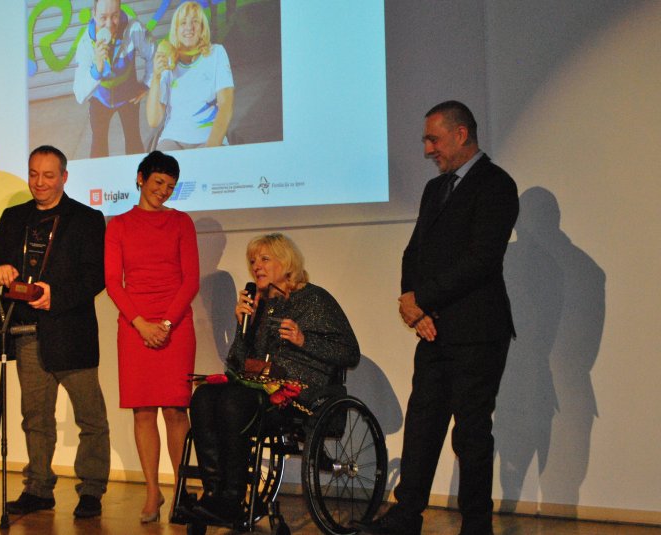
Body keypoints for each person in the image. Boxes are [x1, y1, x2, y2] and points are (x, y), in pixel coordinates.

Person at [357, 101, 519, 535]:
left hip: (477, 332)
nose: (428, 149)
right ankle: (406, 516)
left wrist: (423, 299)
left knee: (471, 433)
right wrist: (413, 307)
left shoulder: (497, 185)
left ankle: (476, 524)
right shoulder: (436, 189)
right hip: (433, 331)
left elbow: (482, 260)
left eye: (434, 139)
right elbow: (414, 252)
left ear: (461, 134)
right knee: (422, 425)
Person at [188, 233, 360, 524]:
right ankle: (214, 493)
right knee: (203, 397)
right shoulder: (261, 304)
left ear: (286, 262)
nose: (256, 266)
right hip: (257, 388)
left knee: (233, 402)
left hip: (299, 394)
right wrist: (243, 324)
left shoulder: (314, 299)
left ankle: (232, 497)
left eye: (264, 259)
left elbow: (350, 353)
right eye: (253, 261)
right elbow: (236, 364)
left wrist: (304, 340)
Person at [0, 145, 110, 519]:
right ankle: (38, 489)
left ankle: (91, 490)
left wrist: (56, 297)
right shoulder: (14, 217)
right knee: (35, 418)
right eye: (34, 174)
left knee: (90, 417)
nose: (39, 182)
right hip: (26, 332)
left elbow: (95, 277)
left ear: (64, 177)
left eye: (48, 175)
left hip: (71, 332)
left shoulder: (86, 219)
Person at [104, 151, 199, 523]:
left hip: (176, 326)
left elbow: (190, 280)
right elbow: (114, 282)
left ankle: (182, 490)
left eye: (171, 186)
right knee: (143, 411)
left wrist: (167, 324)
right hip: (135, 326)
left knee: (176, 410)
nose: (164, 191)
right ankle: (151, 492)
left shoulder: (181, 222)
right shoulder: (119, 225)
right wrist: (141, 324)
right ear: (141, 178)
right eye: (159, 182)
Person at [146, 1, 234, 150]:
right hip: (172, 139)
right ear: (176, 29)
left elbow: (226, 106)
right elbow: (154, 121)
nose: (189, 27)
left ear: (202, 28)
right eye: (183, 23)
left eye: (195, 21)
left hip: (208, 139)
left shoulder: (216, 53)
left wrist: (210, 150)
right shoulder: (168, 60)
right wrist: (156, 77)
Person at [73, 0, 155, 157]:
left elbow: (153, 53)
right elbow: (79, 94)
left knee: (134, 142)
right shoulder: (85, 43)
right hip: (100, 100)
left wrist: (146, 84)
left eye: (115, 16)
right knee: (98, 146)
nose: (109, 24)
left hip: (128, 97)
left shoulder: (134, 30)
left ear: (120, 11)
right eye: (103, 17)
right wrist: (96, 69)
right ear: (94, 15)